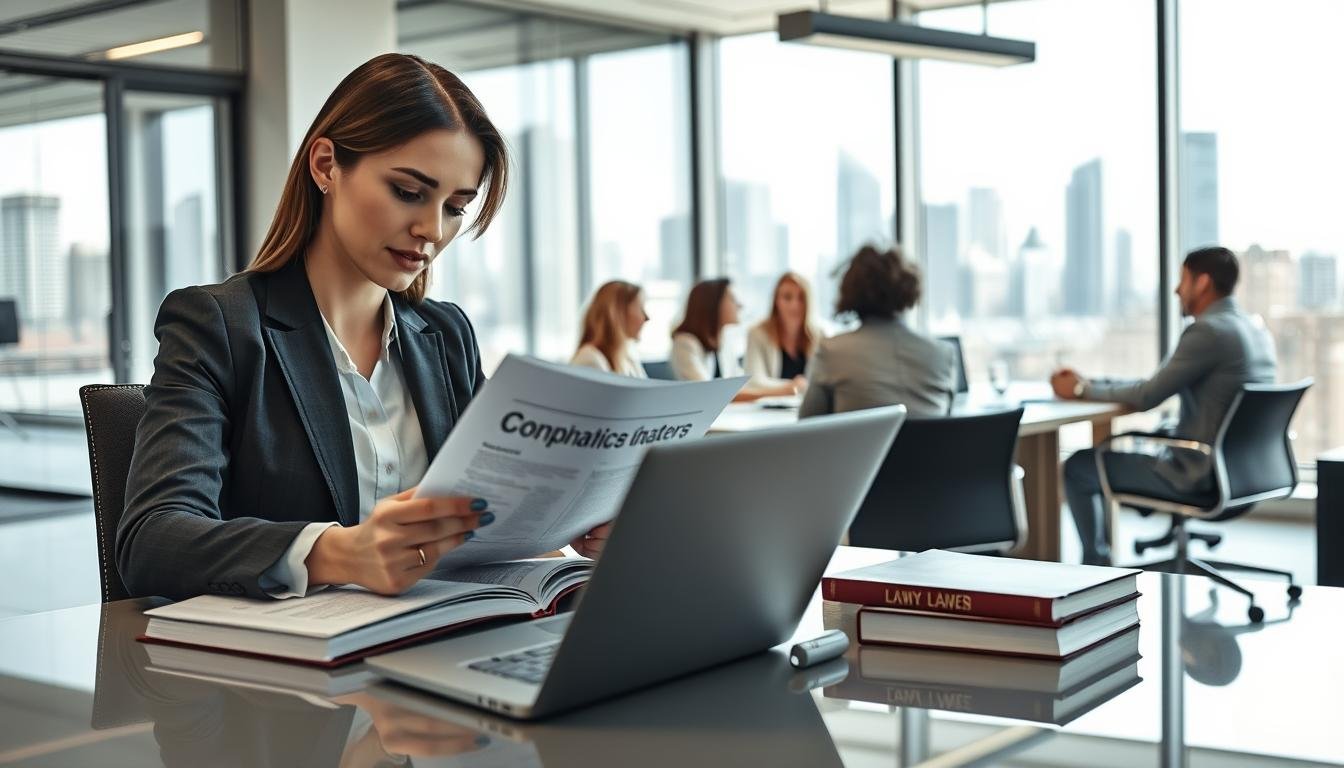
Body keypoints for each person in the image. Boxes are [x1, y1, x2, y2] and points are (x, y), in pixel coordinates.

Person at [119, 53, 610, 602]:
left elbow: (488, 522)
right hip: (288, 674)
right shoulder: (220, 326)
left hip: (439, 646)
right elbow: (152, 540)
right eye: (407, 191)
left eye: (455, 207)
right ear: (326, 165)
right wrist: (341, 552)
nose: (431, 229)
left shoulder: (445, 337)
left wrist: (570, 527)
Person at [1051, 246, 1276, 566]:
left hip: (1198, 475)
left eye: (1182, 280)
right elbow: (1156, 385)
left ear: (1202, 283)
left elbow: (1147, 396)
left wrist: (1078, 388)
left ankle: (1095, 568)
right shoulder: (1253, 329)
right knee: (1146, 439)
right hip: (1247, 473)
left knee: (1079, 467)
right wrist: (1092, 384)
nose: (1176, 290)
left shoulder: (1208, 331)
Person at [799, 245, 955, 419]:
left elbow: (808, 425)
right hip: (930, 447)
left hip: (861, 447)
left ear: (850, 289)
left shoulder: (832, 351)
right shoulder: (943, 355)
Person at [669, 278, 799, 401]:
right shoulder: (685, 344)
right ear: (713, 304)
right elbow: (711, 393)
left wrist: (786, 387)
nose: (740, 305)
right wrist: (781, 391)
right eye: (732, 299)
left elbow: (740, 384)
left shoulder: (723, 342)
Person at [744, 271, 822, 391]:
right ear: (776, 301)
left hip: (810, 408)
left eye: (801, 298)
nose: (794, 305)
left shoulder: (820, 335)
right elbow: (754, 382)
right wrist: (793, 386)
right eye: (787, 297)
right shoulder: (757, 333)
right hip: (767, 408)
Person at [571, 280, 648, 377]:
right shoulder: (590, 359)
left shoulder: (628, 358)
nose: (646, 317)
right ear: (619, 313)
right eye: (640, 308)